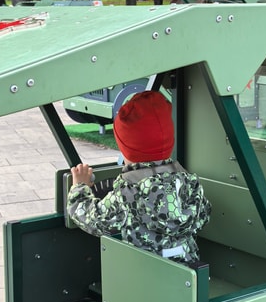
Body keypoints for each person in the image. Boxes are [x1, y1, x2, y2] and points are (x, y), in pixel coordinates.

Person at [67, 90, 211, 263]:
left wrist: (79, 188)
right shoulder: (189, 182)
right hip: (188, 271)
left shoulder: (128, 192)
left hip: (144, 274)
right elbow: (204, 216)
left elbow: (91, 219)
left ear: (126, 148)